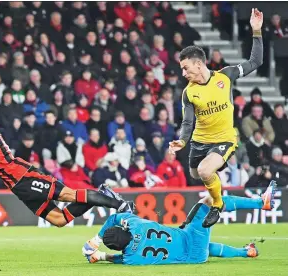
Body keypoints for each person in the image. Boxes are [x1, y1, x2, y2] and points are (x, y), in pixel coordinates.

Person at [0, 105, 134, 227]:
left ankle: (118, 204)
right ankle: (98, 195)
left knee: (68, 195)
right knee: (59, 220)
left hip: (24, 177)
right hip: (17, 186)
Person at [169, 9, 264, 228]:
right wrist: (183, 141)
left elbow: (256, 61)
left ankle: (217, 205)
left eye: (185, 68)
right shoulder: (189, 93)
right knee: (195, 173)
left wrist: (256, 30)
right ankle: (216, 189)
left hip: (224, 139)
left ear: (198, 64)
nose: (183, 73)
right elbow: (187, 122)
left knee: (204, 171)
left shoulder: (225, 75)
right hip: (199, 142)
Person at [82, 181, 277, 265]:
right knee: (209, 201)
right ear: (122, 229)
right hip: (188, 239)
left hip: (193, 257)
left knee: (207, 247)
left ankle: (246, 252)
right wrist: (96, 240)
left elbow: (118, 260)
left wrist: (100, 257)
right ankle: (261, 202)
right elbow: (114, 218)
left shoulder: (130, 259)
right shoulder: (135, 225)